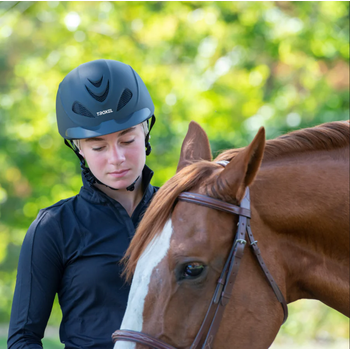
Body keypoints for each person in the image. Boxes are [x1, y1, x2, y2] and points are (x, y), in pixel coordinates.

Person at [7, 59, 158, 349]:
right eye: (98, 147)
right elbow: (23, 339)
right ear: (79, 149)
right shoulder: (54, 227)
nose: (116, 158)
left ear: (146, 133)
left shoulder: (181, 211)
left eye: (127, 140)